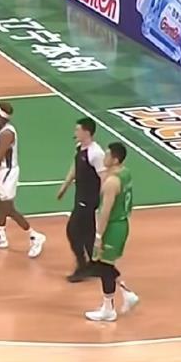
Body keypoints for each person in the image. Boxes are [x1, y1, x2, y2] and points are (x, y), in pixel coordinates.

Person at [0, 102, 46, 257]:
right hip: (0, 172)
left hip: (6, 172)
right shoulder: (0, 128)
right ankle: (1, 236)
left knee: (8, 208)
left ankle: (35, 236)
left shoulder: (6, 134)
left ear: (0, 116)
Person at [86, 142, 140, 322]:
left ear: (115, 159)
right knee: (104, 264)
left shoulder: (112, 182)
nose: (104, 157)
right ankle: (126, 294)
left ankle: (108, 309)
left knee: (104, 266)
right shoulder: (126, 173)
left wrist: (98, 236)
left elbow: (105, 211)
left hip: (113, 226)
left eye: (108, 154)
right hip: (122, 223)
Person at [56, 117, 107, 281]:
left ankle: (82, 265)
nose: (75, 132)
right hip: (81, 195)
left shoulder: (96, 153)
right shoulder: (80, 148)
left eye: (77, 130)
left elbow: (104, 178)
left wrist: (104, 201)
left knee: (73, 230)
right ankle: (94, 264)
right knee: (88, 232)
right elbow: (75, 167)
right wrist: (64, 187)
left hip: (88, 199)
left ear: (86, 132)